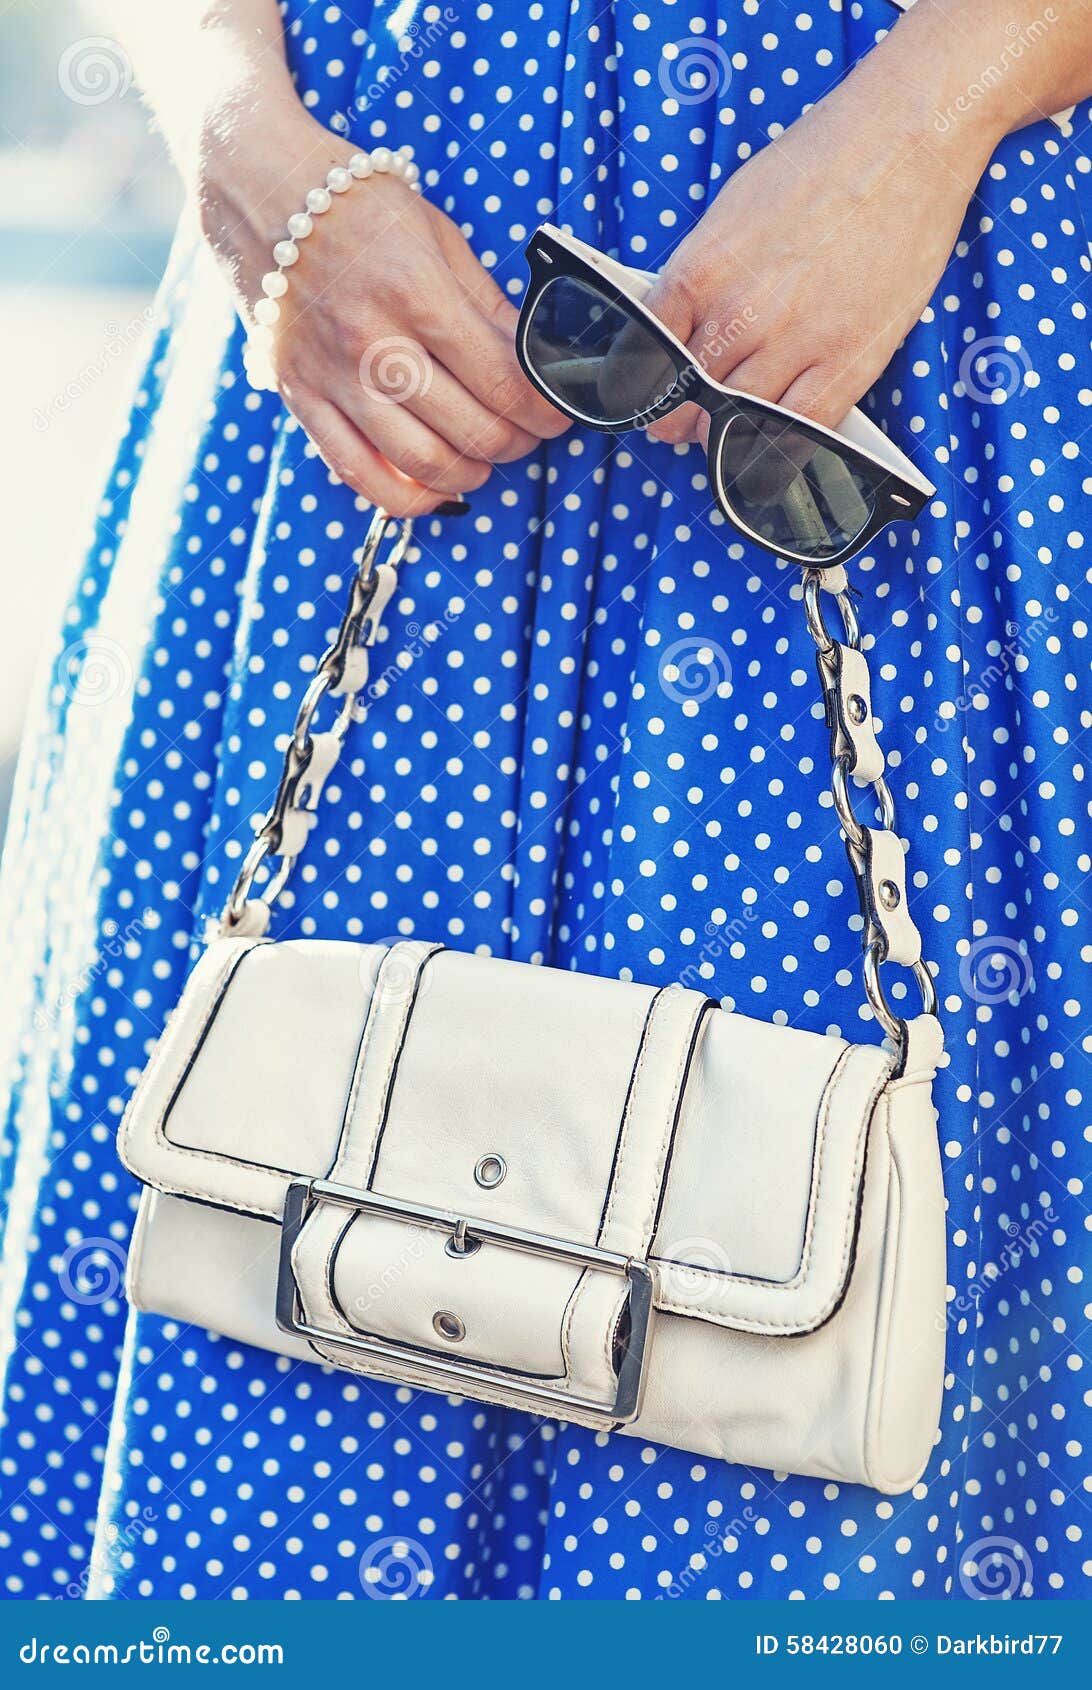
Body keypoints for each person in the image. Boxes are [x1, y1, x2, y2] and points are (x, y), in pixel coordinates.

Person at [1, 0, 1089, 1600]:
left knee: (828, 1405)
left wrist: (933, 111)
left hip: (909, 337)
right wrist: (242, 147)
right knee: (251, 1304)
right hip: (356, 343)